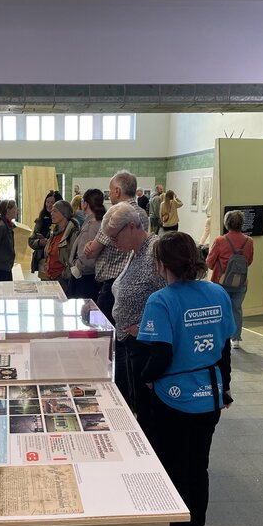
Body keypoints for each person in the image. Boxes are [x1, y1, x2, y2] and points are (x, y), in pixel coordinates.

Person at [137, 232, 235, 526]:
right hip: (209, 395)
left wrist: (145, 379)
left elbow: (161, 354)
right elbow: (224, 348)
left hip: (173, 398)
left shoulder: (161, 300)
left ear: (161, 264)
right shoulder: (217, 293)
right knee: (198, 467)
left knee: (174, 468)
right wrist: (225, 389)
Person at [82, 171, 148, 404]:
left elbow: (93, 248)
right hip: (118, 291)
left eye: (110, 191)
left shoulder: (119, 215)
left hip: (114, 290)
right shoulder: (140, 216)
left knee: (114, 344)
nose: (109, 196)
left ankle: (118, 392)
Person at [101, 202, 165, 436]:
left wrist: (149, 329)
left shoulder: (155, 251)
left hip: (145, 346)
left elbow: (172, 299)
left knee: (147, 411)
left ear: (131, 227)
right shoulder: (135, 251)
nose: (112, 244)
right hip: (130, 343)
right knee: (134, 403)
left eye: (114, 237)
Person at [206, 209, 254, 349]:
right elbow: (249, 261)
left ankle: (220, 336)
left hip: (221, 282)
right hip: (241, 282)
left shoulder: (220, 240)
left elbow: (209, 262)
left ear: (226, 223)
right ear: (242, 224)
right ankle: (236, 339)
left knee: (219, 309)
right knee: (236, 309)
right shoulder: (249, 241)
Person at [67, 188, 105, 301]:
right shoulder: (101, 221)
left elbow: (85, 255)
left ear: (85, 204)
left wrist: (76, 266)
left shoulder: (91, 225)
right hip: (92, 277)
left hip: (84, 278)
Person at [44, 199, 79, 291]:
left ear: (65, 214)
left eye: (55, 211)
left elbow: (74, 258)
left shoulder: (72, 233)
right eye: (51, 211)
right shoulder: (54, 232)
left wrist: (64, 275)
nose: (51, 214)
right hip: (51, 278)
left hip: (63, 280)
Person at [28, 190, 62, 274]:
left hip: (57, 263)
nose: (49, 205)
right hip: (41, 260)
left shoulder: (62, 221)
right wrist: (39, 242)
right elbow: (31, 240)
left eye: (52, 202)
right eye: (47, 202)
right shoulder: (41, 219)